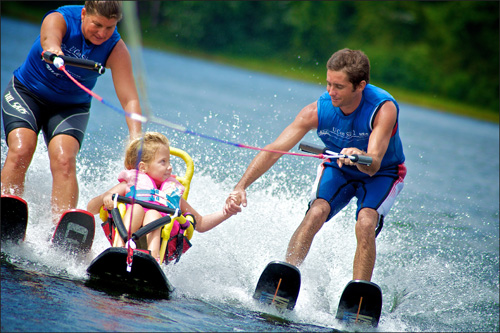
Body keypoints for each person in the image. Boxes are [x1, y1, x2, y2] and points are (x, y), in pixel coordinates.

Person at [224, 48, 406, 282]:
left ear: (360, 85)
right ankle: (285, 276)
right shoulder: (317, 111)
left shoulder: (383, 108)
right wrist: (241, 186)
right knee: (316, 212)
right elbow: (274, 150)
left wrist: (359, 155)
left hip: (382, 173)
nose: (331, 92)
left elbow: (373, 164)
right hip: (338, 167)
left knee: (366, 221)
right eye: (328, 83)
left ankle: (360, 294)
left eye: (338, 87)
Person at [1, 1, 142, 222]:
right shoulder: (60, 19)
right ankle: (8, 208)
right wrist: (54, 49)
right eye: (97, 24)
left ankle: (62, 227)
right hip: (27, 93)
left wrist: (135, 137)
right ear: (84, 14)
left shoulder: (115, 48)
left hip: (71, 107)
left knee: (65, 160)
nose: (103, 33)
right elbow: (49, 38)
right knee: (21, 149)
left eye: (110, 27)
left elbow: (130, 98)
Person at [87, 132, 238, 261]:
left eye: (169, 161)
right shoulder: (129, 185)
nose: (170, 167)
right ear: (143, 167)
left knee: (153, 214)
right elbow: (91, 208)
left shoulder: (172, 194)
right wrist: (106, 197)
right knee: (136, 208)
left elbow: (201, 223)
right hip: (128, 225)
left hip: (162, 236)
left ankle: (153, 260)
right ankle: (118, 249)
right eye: (163, 162)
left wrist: (226, 212)